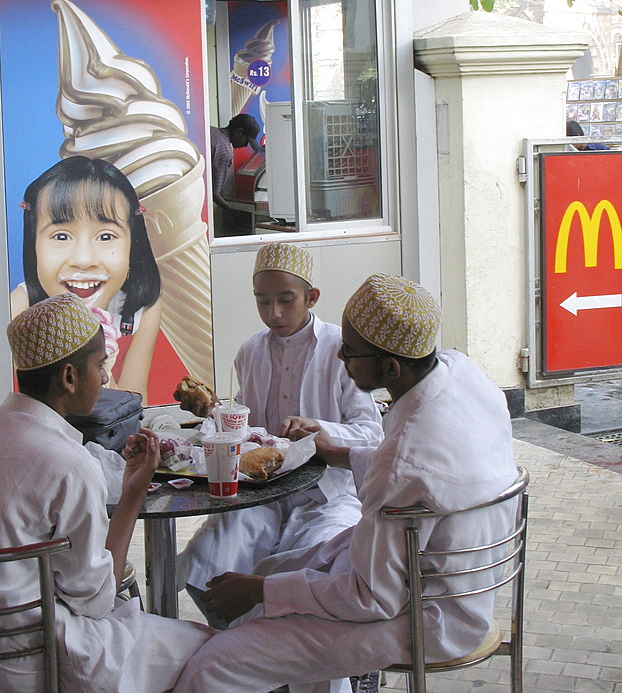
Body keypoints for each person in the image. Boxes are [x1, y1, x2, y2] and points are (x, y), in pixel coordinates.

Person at [171, 274, 519, 693]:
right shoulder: (460, 373)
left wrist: (261, 591)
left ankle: (338, 668)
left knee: (216, 662)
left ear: (390, 367)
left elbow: (371, 599)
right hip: (441, 577)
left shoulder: (402, 460)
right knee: (269, 570)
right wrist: (331, 452)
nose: (338, 355)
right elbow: (419, 469)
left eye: (350, 351)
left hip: (426, 617)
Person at [0, 294, 212, 693]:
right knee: (212, 651)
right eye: (100, 365)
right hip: (28, 665)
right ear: (69, 377)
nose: (105, 377)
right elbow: (95, 602)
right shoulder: (69, 464)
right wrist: (133, 493)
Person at [178, 242, 383, 627]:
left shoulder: (342, 350)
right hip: (261, 496)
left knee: (318, 573)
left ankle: (311, 666)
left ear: (311, 297)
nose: (274, 313)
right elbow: (245, 427)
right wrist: (213, 413)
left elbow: (371, 434)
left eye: (286, 300)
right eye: (263, 301)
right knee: (209, 560)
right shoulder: (250, 352)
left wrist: (319, 429)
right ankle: (247, 656)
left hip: (326, 496)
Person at [10, 156, 162, 402]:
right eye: (61, 237)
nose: (83, 259)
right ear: (33, 242)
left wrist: (103, 370)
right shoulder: (20, 310)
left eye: (105, 237)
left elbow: (134, 404)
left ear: (132, 243)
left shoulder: (141, 307)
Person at [210, 113, 260, 234]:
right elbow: (215, 195)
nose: (245, 145)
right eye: (246, 141)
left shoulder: (210, 130)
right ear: (238, 132)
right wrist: (234, 212)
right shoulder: (224, 150)